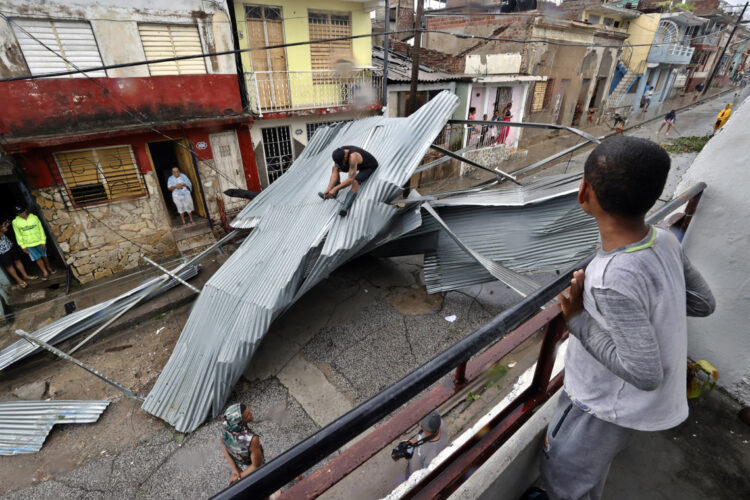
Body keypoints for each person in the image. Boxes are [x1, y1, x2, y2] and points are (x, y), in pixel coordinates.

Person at [540, 136, 715, 500]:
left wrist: (578, 322)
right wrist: (652, 304)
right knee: (588, 467)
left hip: (602, 406)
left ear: (584, 191)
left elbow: (645, 373)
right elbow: (702, 303)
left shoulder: (610, 277)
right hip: (624, 408)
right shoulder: (664, 239)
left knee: (568, 476)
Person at [319, 146, 379, 217]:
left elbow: (350, 180)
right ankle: (333, 194)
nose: (342, 164)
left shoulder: (353, 157)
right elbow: (335, 172)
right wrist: (329, 189)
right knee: (335, 168)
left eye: (342, 162)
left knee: (355, 181)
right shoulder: (340, 153)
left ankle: (345, 208)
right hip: (355, 163)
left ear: (345, 157)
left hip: (368, 166)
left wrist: (335, 189)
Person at [220, 403, 264, 485]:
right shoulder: (252, 440)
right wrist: (240, 477)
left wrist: (235, 469)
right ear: (239, 423)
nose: (251, 414)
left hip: (239, 466)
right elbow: (256, 465)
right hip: (251, 470)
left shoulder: (225, 427)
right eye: (247, 416)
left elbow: (223, 446)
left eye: (249, 411)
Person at [405, 411, 449, 479]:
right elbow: (423, 440)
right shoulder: (439, 423)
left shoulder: (432, 458)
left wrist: (409, 458)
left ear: (420, 425)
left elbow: (423, 475)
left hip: (414, 476)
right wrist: (414, 443)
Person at [12, 205, 51, 280]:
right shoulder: (15, 222)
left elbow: (41, 229)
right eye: (19, 213)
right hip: (28, 244)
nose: (21, 214)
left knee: (44, 255)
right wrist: (23, 246)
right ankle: (45, 272)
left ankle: (49, 268)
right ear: (17, 214)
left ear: (26, 210)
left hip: (39, 241)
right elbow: (18, 235)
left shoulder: (34, 217)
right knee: (37, 258)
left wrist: (43, 241)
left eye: (22, 212)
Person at [0, 219, 35, 288]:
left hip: (9, 245)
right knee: (9, 266)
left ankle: (25, 276)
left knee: (17, 260)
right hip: (1, 251)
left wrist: (4, 226)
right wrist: (2, 231)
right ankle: (19, 280)